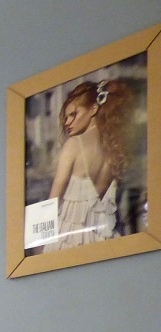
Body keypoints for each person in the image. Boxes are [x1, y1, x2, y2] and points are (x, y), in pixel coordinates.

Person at [45, 79, 134, 251]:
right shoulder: (114, 150)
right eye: (66, 117)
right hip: (102, 240)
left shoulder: (74, 144)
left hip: (68, 240)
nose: (67, 122)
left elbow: (52, 201)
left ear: (93, 109)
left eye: (73, 114)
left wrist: (34, 244)